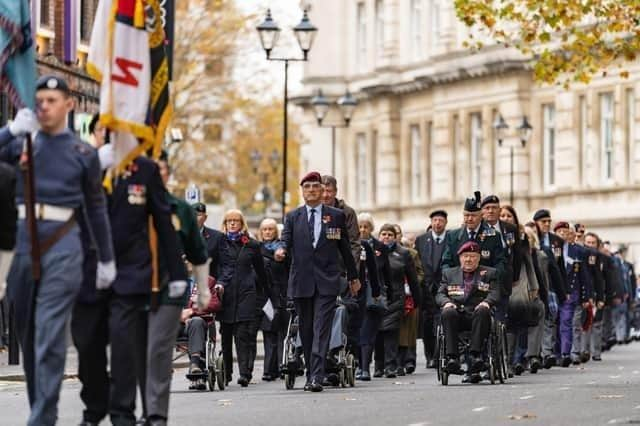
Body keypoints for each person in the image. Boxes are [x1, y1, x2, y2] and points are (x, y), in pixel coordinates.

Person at [1, 76, 115, 426]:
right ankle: (43, 411)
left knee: (50, 335)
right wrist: (8, 131)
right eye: (40, 100)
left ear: (69, 104)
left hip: (63, 244)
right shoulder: (23, 143)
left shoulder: (82, 153)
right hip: (22, 242)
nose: (44, 106)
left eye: (52, 100)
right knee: (29, 335)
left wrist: (107, 258)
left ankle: (39, 420)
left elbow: (96, 209)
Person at [139, 153, 213, 426]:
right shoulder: (129, 204)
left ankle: (155, 414)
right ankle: (139, 407)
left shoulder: (180, 209)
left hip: (170, 289)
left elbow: (197, 252)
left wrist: (203, 290)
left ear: (167, 175)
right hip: (132, 289)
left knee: (157, 350)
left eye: (161, 171)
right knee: (137, 352)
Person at [275, 171, 360, 392]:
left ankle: (317, 377)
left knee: (322, 328)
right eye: (307, 187)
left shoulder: (335, 216)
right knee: (306, 329)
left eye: (315, 186)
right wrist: (281, 249)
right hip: (302, 281)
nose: (311, 190)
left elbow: (345, 249)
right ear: (302, 192)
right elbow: (285, 239)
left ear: (322, 191)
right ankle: (311, 374)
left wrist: (353, 277)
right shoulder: (293, 217)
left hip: (327, 281)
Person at [219, 209, 269, 387]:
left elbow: (261, 271)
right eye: (229, 221)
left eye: (236, 221)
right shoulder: (220, 243)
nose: (232, 224)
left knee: (243, 335)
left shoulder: (252, 245)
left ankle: (244, 373)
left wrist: (267, 294)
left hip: (246, 295)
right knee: (225, 336)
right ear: (225, 224)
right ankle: (225, 372)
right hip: (225, 296)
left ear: (242, 224)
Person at [436, 241, 500, 375]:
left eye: (472, 256)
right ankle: (453, 358)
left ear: (478, 257)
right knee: (447, 312)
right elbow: (440, 294)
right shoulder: (449, 274)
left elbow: (495, 292)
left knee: (483, 310)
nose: (468, 259)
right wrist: (446, 302)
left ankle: (475, 355)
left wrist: (487, 302)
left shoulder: (490, 273)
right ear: (460, 258)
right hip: (457, 315)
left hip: (478, 316)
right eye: (465, 256)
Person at [374, 224, 420, 378]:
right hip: (377, 297)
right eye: (383, 234)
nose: (386, 237)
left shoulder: (404, 254)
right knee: (378, 332)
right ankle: (378, 365)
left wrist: (417, 299)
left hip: (396, 297)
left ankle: (391, 365)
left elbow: (413, 278)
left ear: (395, 237)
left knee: (391, 332)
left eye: (389, 234)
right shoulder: (374, 251)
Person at [553, 222, 591, 367]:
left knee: (567, 322)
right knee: (553, 323)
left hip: (571, 291)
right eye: (560, 232)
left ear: (572, 235)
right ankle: (553, 353)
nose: (563, 235)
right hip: (554, 291)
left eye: (566, 232)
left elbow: (584, 275)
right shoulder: (551, 248)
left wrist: (585, 296)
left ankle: (565, 353)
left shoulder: (578, 251)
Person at [356, 213, 389, 381]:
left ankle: (365, 368)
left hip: (374, 294)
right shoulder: (352, 245)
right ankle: (358, 365)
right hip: (356, 292)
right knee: (357, 330)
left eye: (366, 227)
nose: (362, 230)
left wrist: (385, 294)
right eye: (360, 226)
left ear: (371, 228)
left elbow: (386, 273)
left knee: (368, 332)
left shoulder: (379, 247)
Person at [414, 209, 448, 369]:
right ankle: (430, 356)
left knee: (443, 320)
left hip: (444, 287)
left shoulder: (451, 239)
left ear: (445, 222)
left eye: (440, 220)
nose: (437, 223)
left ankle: (441, 354)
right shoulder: (422, 240)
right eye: (435, 220)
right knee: (427, 324)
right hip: (426, 289)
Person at [257, 218, 289, 381]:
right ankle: (269, 370)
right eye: (265, 229)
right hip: (266, 298)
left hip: (283, 296)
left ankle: (282, 366)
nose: (268, 232)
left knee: (283, 333)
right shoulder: (257, 249)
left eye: (271, 229)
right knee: (269, 333)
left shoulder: (283, 250)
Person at [393, 224, 423, 375]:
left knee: (409, 329)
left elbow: (419, 273)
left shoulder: (410, 253)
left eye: (397, 234)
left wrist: (410, 284)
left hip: (409, 294)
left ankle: (409, 359)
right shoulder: (383, 252)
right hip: (393, 295)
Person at [321, 175, 360, 265]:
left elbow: (354, 244)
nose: (325, 195)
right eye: (322, 191)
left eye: (329, 191)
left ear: (335, 192)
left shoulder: (347, 213)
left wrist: (352, 272)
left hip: (340, 269)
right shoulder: (313, 212)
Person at [193, 202, 233, 286]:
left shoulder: (217, 237)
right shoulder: (179, 236)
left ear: (205, 217)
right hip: (185, 288)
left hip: (209, 288)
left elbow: (227, 265)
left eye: (198, 215)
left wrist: (221, 283)